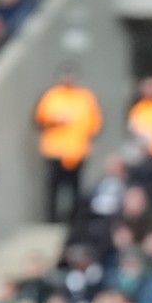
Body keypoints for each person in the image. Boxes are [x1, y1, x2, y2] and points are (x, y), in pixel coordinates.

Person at [34, 72, 101, 224]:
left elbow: (95, 124)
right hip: (55, 151)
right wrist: (55, 121)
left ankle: (74, 219)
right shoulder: (51, 96)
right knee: (53, 187)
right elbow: (38, 121)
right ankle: (52, 219)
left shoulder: (85, 97)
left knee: (76, 187)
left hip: (77, 151)